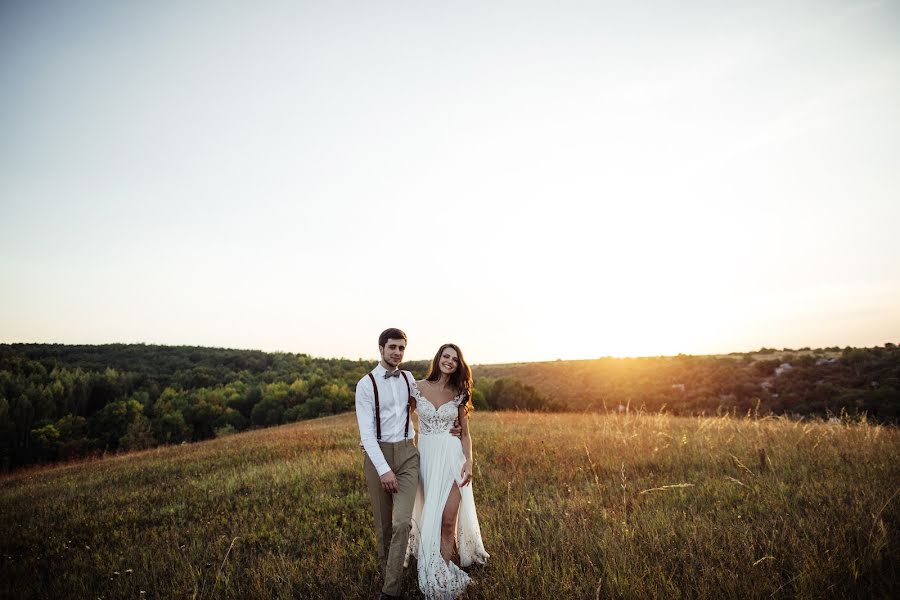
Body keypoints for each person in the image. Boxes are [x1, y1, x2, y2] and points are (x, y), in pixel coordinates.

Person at [406, 343, 489, 599]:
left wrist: (470, 461)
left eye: (455, 358)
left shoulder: (459, 393)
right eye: (446, 356)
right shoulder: (417, 388)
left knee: (448, 519)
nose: (450, 361)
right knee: (429, 512)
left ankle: (442, 567)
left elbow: (466, 434)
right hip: (427, 459)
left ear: (458, 364)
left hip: (453, 458)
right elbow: (401, 418)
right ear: (438, 358)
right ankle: (429, 558)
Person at [355, 328, 420, 600]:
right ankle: (390, 573)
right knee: (383, 526)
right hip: (377, 455)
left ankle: (389, 591)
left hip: (407, 454)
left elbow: (423, 405)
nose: (397, 352)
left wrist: (455, 425)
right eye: (392, 347)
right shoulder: (366, 384)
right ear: (381, 348)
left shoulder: (408, 377)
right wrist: (383, 469)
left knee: (402, 522)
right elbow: (366, 434)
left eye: (401, 348)